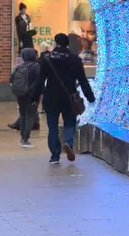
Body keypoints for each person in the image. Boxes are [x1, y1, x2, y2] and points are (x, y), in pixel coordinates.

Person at [41, 33, 96, 164]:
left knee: (52, 126)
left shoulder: (47, 58)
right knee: (70, 123)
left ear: (55, 43)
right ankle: (68, 143)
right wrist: (90, 97)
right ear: (68, 44)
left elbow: (40, 80)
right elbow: (83, 81)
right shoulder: (75, 59)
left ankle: (55, 155)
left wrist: (35, 97)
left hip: (51, 97)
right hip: (69, 97)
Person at [8, 47, 43, 147]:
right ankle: (25, 139)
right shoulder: (36, 67)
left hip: (21, 95)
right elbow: (39, 82)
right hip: (32, 95)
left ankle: (22, 138)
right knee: (30, 116)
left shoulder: (20, 66)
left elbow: (11, 79)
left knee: (23, 115)